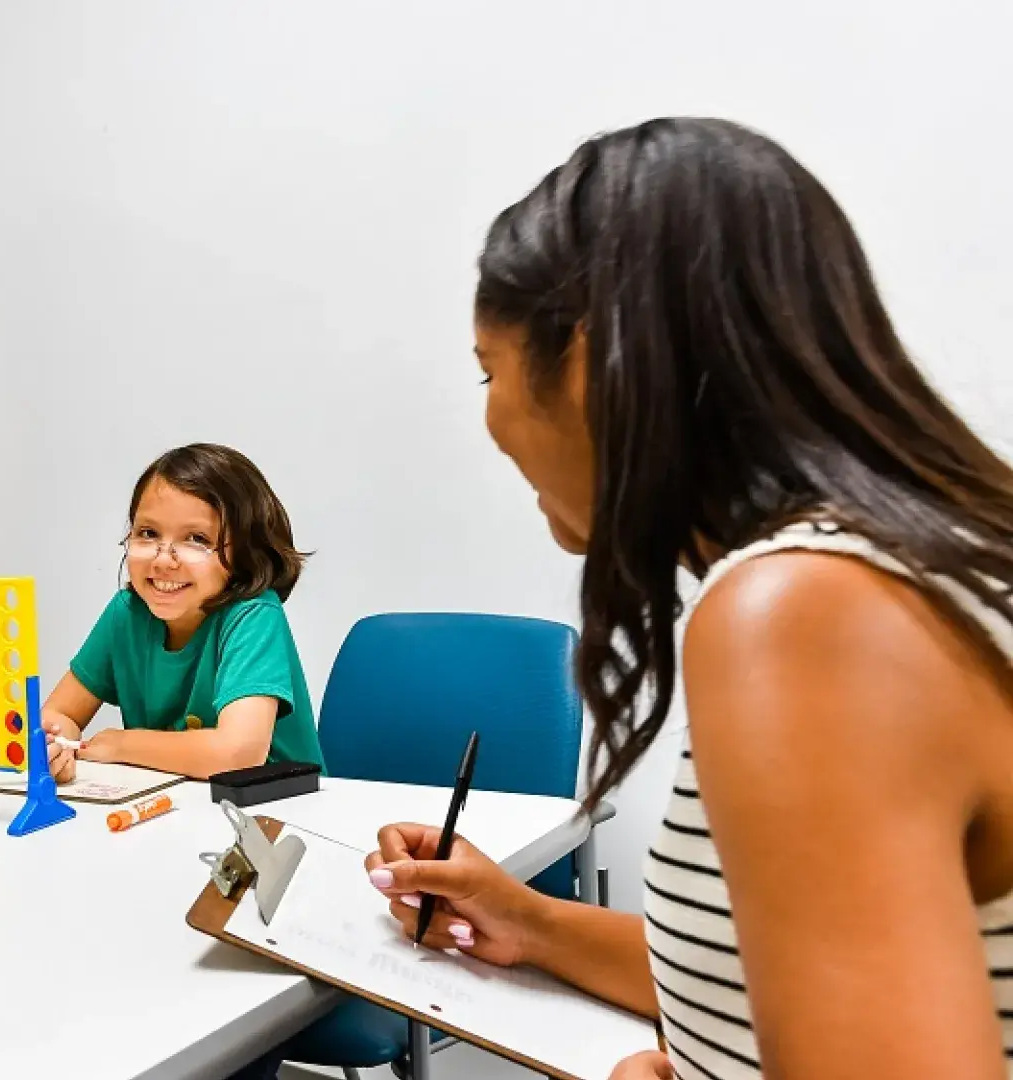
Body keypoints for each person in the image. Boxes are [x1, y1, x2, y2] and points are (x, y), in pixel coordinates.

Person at [365, 119, 1013, 1080]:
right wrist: (530, 921)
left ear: (590, 361)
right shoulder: (919, 566)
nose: (491, 417)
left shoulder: (803, 613)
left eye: (488, 370)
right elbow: (777, 975)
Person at [41, 443, 325, 784]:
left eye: (196, 539)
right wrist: (56, 745)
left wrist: (122, 744)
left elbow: (238, 754)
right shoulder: (126, 614)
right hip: (177, 808)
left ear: (246, 553)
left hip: (278, 813)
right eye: (148, 533)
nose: (163, 559)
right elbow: (58, 713)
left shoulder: (254, 615)